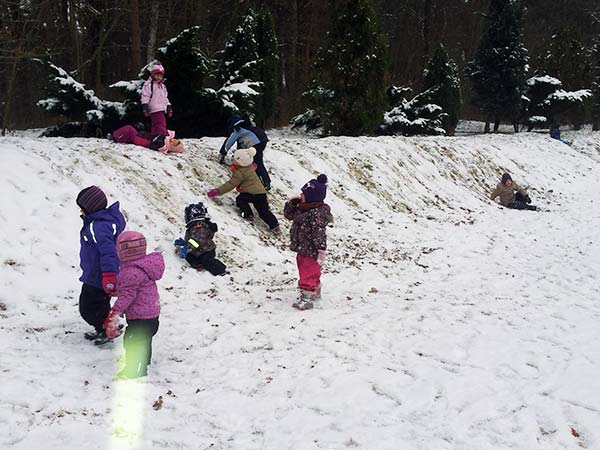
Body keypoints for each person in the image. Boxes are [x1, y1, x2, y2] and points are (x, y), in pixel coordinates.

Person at [103, 231, 164, 379]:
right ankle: (145, 361)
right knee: (144, 339)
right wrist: (119, 291)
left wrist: (115, 311)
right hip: (152, 314)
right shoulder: (143, 266)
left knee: (132, 343)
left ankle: (135, 371)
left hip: (140, 317)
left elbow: (128, 295)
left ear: (122, 252)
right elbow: (135, 288)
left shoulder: (129, 272)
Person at [76, 186, 126, 344]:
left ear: (90, 208)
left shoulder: (97, 227)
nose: (81, 212)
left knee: (87, 308)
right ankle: (107, 327)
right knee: (99, 304)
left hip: (98, 276)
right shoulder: (104, 222)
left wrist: (109, 275)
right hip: (99, 274)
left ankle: (107, 329)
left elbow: (108, 252)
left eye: (82, 208)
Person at [283, 174, 333, 310]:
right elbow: (288, 215)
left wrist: (321, 249)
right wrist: (291, 204)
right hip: (301, 247)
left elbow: (319, 234)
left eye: (303, 193)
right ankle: (315, 290)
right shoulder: (302, 207)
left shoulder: (316, 214)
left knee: (308, 273)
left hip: (311, 250)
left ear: (311, 197)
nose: (301, 195)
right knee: (308, 271)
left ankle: (307, 297)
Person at [208, 147, 280, 232]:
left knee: (240, 200)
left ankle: (247, 215)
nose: (233, 160)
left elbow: (231, 184)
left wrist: (218, 191)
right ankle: (274, 225)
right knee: (263, 211)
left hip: (250, 193)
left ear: (240, 162)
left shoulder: (240, 173)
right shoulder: (250, 167)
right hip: (261, 193)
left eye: (234, 159)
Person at [219, 115, 272, 190]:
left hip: (256, 143)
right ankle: (260, 181)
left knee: (257, 162)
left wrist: (222, 153)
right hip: (261, 141)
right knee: (254, 161)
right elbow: (241, 147)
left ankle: (265, 183)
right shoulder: (246, 127)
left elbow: (229, 142)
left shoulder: (238, 130)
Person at [176, 202, 228, 276]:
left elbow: (199, 242)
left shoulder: (199, 227)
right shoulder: (193, 227)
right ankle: (198, 264)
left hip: (206, 251)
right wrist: (186, 243)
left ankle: (221, 270)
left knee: (207, 260)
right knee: (189, 257)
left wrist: (188, 246)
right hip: (196, 251)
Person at [140, 61, 172, 136]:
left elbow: (165, 98)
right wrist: (145, 105)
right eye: (157, 75)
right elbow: (145, 95)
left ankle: (154, 136)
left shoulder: (162, 86)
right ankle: (161, 137)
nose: (158, 77)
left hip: (162, 108)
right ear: (153, 75)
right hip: (155, 108)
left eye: (160, 76)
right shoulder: (149, 84)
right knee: (161, 123)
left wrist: (168, 106)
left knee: (156, 124)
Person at [109, 124, 184, 153]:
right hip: (141, 137)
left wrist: (163, 137)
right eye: (175, 139)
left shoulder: (163, 144)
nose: (173, 140)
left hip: (140, 139)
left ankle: (114, 136)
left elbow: (155, 141)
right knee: (129, 135)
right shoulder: (165, 140)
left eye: (175, 142)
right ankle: (118, 138)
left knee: (129, 128)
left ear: (173, 146)